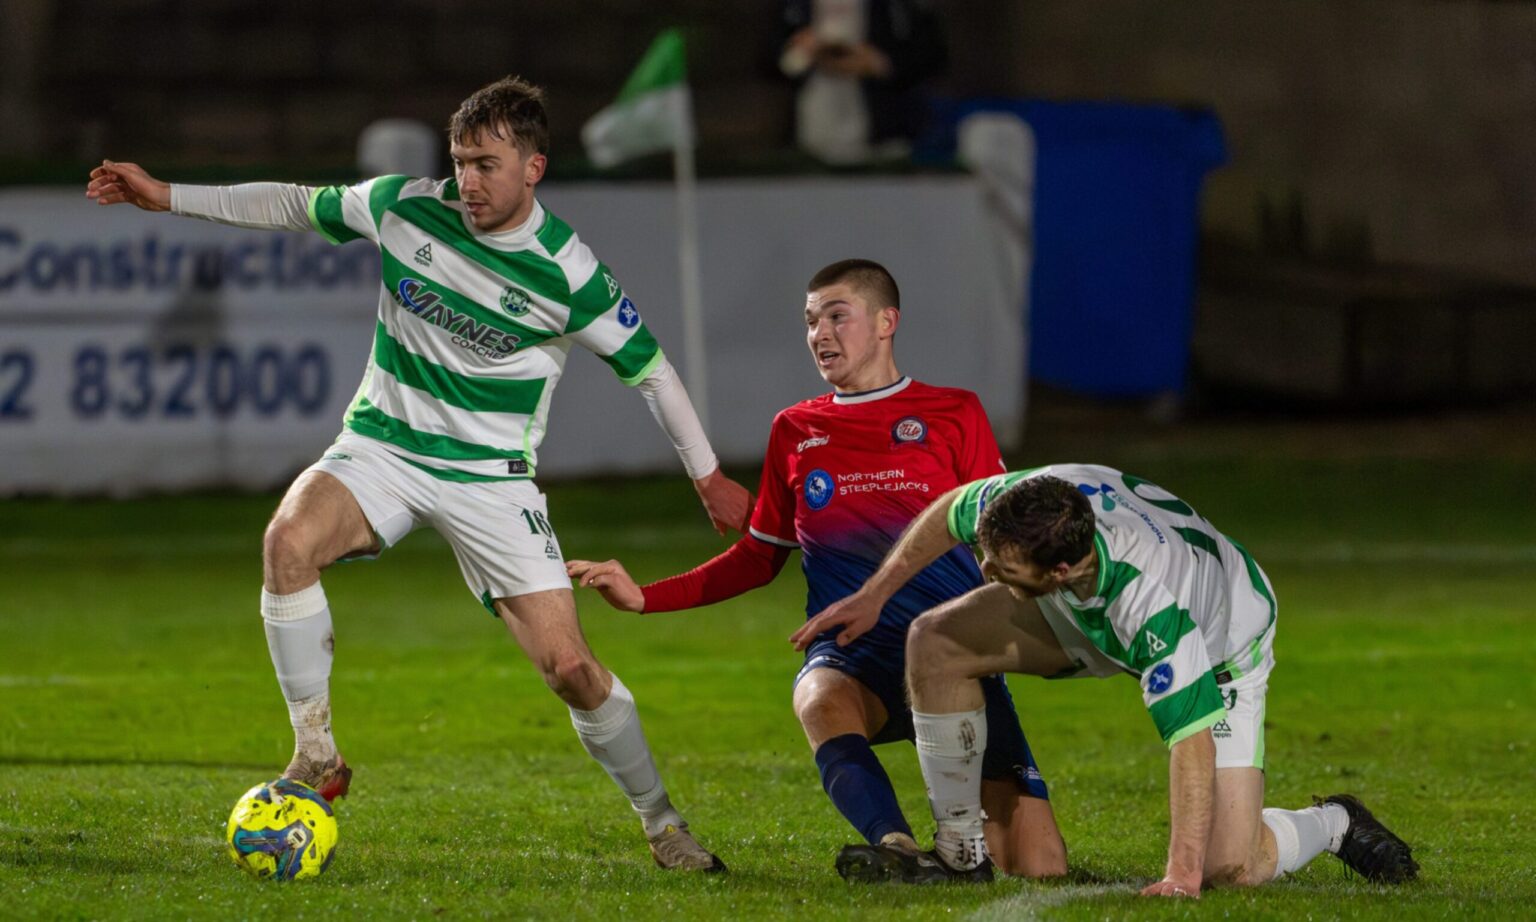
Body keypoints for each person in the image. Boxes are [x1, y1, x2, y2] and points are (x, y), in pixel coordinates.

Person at [85, 76, 751, 873]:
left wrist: (707, 476)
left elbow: (652, 372)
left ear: (534, 167)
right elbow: (295, 203)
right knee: (288, 542)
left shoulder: (569, 273)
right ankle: (316, 754)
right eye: (461, 161)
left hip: (491, 478)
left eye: (488, 164)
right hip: (383, 449)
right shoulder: (404, 206)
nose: (469, 181)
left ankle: (662, 823)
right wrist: (166, 196)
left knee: (571, 669)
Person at [568, 259, 1066, 882]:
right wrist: (645, 597)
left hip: (952, 650)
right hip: (855, 652)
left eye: (837, 316)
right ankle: (898, 848)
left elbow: (1001, 538)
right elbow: (758, 556)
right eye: (810, 322)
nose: (820, 334)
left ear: (887, 322)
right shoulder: (796, 429)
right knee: (818, 696)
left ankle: (956, 843)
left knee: (1039, 868)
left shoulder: (954, 412)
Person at [795, 464, 1420, 892]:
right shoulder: (1029, 506)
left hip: (1221, 644)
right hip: (1081, 608)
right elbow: (950, 513)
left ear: (1061, 568)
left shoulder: (1152, 605)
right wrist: (876, 594)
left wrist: (1180, 876)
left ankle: (1336, 823)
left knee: (1232, 865)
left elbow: (1190, 740)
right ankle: (960, 852)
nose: (984, 570)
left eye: (1001, 565)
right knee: (934, 641)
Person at [777, 0, 947, 165]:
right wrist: (800, 52)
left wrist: (877, 63)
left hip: (885, 140)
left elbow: (930, 56)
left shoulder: (896, 6)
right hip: (812, 139)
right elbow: (775, 61)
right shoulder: (797, 5)